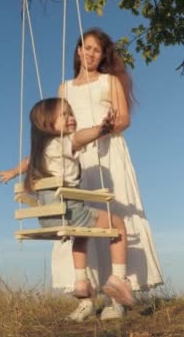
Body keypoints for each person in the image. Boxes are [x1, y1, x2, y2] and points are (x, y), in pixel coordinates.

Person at [0, 27, 163, 321]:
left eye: (96, 50)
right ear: (77, 50)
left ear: (103, 55)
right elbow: (53, 131)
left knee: (111, 215)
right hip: (72, 156)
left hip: (106, 151)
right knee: (79, 225)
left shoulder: (110, 81)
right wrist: (19, 166)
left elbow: (123, 119)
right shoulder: (65, 88)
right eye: (85, 47)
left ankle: (118, 300)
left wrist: (103, 129)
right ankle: (86, 298)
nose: (90, 53)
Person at [23, 97, 135, 306]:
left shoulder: (41, 153)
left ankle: (81, 282)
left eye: (71, 112)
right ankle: (119, 279)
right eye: (63, 114)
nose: (71, 117)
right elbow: (79, 138)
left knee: (81, 236)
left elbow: (27, 162)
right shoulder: (63, 143)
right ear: (46, 124)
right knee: (118, 224)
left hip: (49, 219)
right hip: (69, 212)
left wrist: (13, 171)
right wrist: (101, 129)